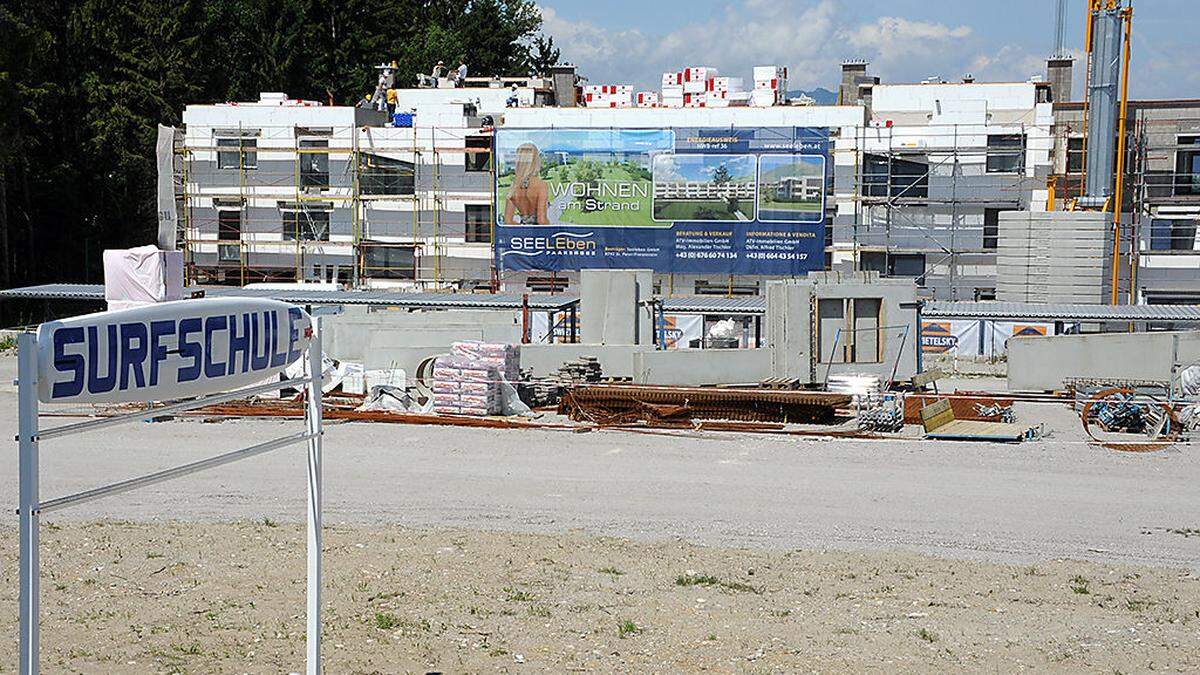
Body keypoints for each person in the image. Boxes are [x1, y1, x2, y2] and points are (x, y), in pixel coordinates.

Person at [503, 143, 549, 225]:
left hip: (522, 235)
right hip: (539, 235)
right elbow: (542, 221)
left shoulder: (514, 187)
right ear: (535, 161)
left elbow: (508, 221)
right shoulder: (541, 185)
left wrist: (523, 228)